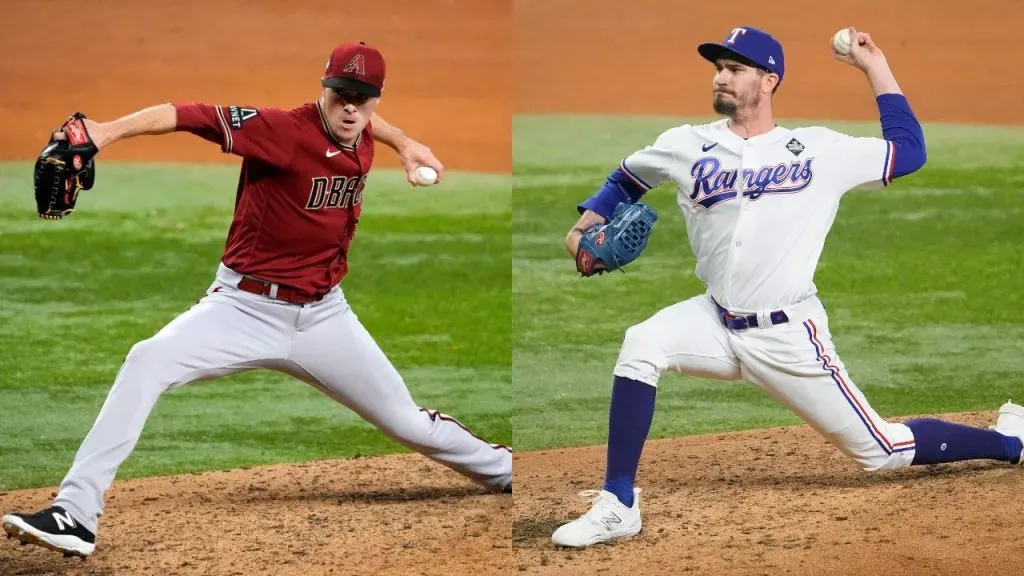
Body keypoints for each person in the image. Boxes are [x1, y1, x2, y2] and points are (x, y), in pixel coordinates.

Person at [3, 40, 512, 559]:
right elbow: (186, 115)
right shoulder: (281, 131)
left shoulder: (359, 129)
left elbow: (365, 125)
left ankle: (505, 469)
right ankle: (76, 512)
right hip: (241, 309)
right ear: (324, 90)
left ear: (377, 98)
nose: (351, 107)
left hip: (324, 317)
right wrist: (103, 133)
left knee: (405, 422)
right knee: (146, 360)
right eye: (341, 94)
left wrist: (404, 143)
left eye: (362, 97)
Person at [551, 26, 1023, 549]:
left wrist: (875, 66)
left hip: (789, 336)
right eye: (718, 67)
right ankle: (618, 503)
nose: (721, 77)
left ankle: (1008, 441)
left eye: (735, 69)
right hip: (713, 320)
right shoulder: (684, 145)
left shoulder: (820, 151)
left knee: (881, 449)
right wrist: (581, 232)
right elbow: (625, 179)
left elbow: (908, 152)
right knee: (642, 343)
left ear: (769, 80)